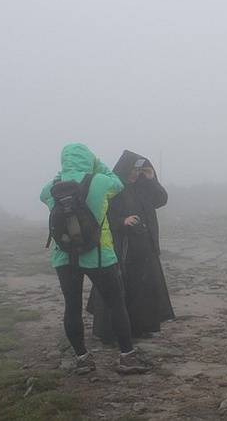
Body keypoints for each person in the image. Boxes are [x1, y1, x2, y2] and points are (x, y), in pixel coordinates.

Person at [40, 143, 153, 374]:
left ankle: (82, 359)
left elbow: (43, 196)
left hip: (64, 257)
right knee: (115, 303)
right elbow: (117, 183)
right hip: (99, 254)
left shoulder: (51, 187)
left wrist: (64, 173)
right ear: (89, 159)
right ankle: (126, 356)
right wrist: (98, 164)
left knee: (72, 307)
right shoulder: (99, 181)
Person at [87, 150, 174, 342]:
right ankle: (111, 332)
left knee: (142, 287)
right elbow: (103, 216)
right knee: (118, 288)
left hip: (143, 246)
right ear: (125, 169)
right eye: (133, 170)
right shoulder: (114, 188)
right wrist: (122, 221)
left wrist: (151, 179)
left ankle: (140, 327)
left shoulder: (142, 186)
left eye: (139, 170)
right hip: (120, 247)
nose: (136, 174)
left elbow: (161, 200)